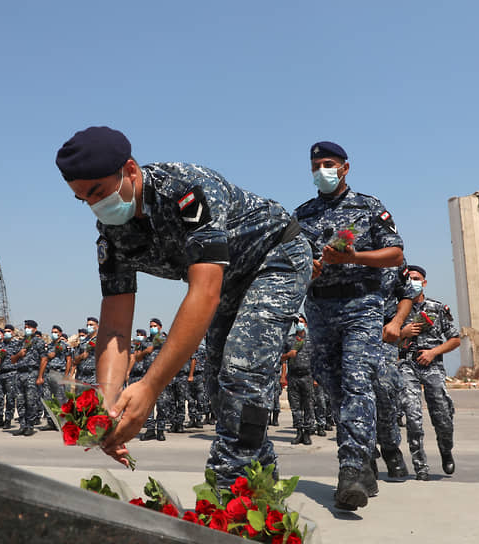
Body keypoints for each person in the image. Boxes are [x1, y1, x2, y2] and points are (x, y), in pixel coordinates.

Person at [55, 126, 310, 485]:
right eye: (84, 200)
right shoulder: (113, 234)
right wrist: (109, 410)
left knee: (242, 370)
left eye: (98, 191)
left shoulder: (187, 190)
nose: (95, 206)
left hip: (274, 259)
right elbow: (114, 327)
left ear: (129, 170)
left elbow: (204, 292)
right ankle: (260, 481)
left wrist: (149, 388)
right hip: (229, 281)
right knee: (221, 388)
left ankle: (230, 492)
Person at [295, 141, 403, 510]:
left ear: (344, 168)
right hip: (321, 309)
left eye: (328, 163)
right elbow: (292, 262)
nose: (321, 170)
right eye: (315, 166)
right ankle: (363, 455)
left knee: (358, 381)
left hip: (361, 304)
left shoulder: (368, 207)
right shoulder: (302, 215)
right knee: (334, 388)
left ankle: (351, 470)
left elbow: (395, 255)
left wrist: (354, 255)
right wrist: (308, 267)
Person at [398, 265, 460, 480]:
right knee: (413, 417)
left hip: (432, 366)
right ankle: (420, 466)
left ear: (424, 283)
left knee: (443, 415)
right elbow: (385, 338)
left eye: (416, 278)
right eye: (409, 279)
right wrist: (402, 333)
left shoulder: (438, 308)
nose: (412, 282)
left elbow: (455, 339)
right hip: (407, 364)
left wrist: (434, 352)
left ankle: (446, 450)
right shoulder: (397, 309)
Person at [374, 263, 417, 479]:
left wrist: (397, 324)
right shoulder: (335, 253)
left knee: (384, 391)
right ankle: (363, 454)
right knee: (350, 393)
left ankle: (390, 448)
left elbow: (407, 294)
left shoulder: (391, 260)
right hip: (346, 330)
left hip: (383, 334)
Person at [281, 315, 315, 445]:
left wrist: (316, 378)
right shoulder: (289, 340)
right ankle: (299, 431)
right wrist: (288, 355)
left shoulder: (311, 340)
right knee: (295, 407)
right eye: (297, 322)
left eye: (301, 322)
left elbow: (316, 360)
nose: (299, 324)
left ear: (306, 324)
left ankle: (307, 433)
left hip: (307, 376)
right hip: (293, 376)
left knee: (308, 405)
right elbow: (280, 359)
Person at [10, 319, 47, 436]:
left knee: (31, 401)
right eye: (25, 327)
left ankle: (30, 426)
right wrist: (19, 354)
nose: (26, 329)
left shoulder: (39, 342)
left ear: (35, 329)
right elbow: (12, 359)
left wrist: (40, 376)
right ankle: (22, 425)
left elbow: (44, 360)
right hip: (19, 374)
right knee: (20, 401)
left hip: (32, 373)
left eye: (29, 327)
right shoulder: (20, 343)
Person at [144, 319, 170, 440]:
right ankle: (150, 430)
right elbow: (138, 356)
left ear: (160, 327)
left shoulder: (166, 340)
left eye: (154, 326)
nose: (152, 328)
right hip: (148, 378)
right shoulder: (145, 341)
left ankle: (160, 430)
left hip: (161, 378)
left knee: (162, 404)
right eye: (151, 326)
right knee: (148, 405)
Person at [39, 325, 69, 431]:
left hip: (58, 373)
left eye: (56, 332)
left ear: (60, 333)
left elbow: (68, 360)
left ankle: (62, 423)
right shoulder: (49, 346)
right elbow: (44, 360)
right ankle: (50, 422)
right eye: (52, 332)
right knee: (47, 398)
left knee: (60, 399)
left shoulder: (65, 345)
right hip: (48, 374)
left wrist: (66, 376)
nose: (54, 334)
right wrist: (41, 376)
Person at [186, 339, 210, 428]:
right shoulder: (187, 350)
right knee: (190, 399)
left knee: (200, 399)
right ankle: (192, 419)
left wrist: (205, 375)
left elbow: (207, 362)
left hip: (200, 375)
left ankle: (199, 419)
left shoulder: (203, 350)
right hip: (189, 376)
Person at [72, 318, 98, 384]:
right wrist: (81, 356)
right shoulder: (82, 342)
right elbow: (75, 360)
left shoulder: (101, 340)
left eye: (91, 325)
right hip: (81, 377)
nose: (89, 327)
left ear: (97, 326)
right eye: (88, 325)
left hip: (94, 377)